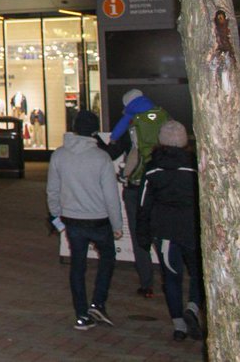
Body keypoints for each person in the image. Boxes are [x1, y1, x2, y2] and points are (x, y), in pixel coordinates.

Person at [47, 109, 123, 331]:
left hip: (72, 219)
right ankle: (98, 301)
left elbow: (52, 190)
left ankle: (81, 314)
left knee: (77, 267)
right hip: (99, 219)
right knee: (107, 259)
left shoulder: (59, 155)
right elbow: (111, 196)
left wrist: (55, 215)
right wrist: (117, 225)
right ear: (94, 131)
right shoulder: (101, 157)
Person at [136, 120, 203, 341]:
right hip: (194, 229)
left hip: (165, 231)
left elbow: (144, 204)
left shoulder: (153, 167)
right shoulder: (196, 166)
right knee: (199, 274)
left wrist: (143, 235)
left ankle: (179, 326)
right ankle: (193, 307)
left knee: (171, 278)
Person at [102, 87, 169, 298]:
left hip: (136, 187)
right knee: (161, 235)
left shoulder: (131, 122)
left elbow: (113, 151)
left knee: (140, 237)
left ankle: (146, 284)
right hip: (159, 185)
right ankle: (169, 280)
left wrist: (98, 144)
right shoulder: (162, 116)